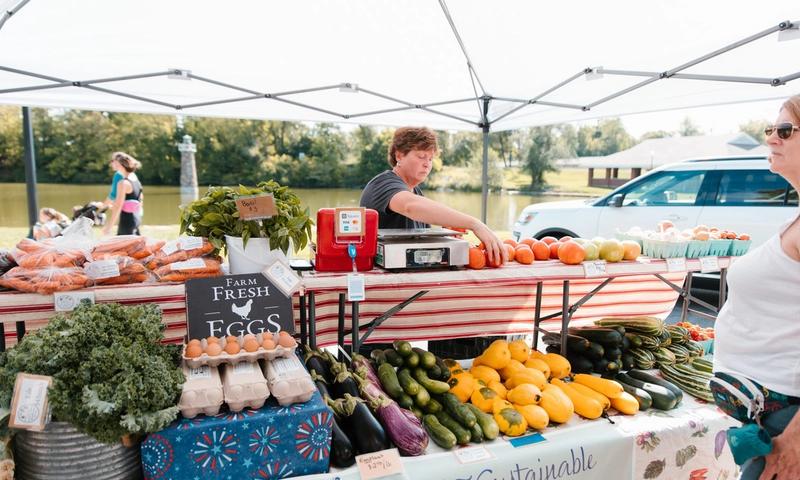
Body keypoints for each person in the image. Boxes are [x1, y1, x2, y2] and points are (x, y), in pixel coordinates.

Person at [711, 95, 800, 480]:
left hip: (788, 427)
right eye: (770, 130)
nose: (771, 139)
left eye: (785, 130)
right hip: (770, 421)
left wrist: (795, 441)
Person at [359, 126, 506, 264]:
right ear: (399, 156)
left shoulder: (416, 192)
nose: (427, 164)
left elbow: (420, 237)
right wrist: (475, 224)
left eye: (430, 158)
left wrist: (446, 235)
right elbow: (410, 206)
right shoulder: (383, 184)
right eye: (421, 156)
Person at [102, 152, 143, 236]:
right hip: (136, 220)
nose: (111, 163)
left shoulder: (122, 183)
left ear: (118, 163)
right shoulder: (136, 181)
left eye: (112, 161)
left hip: (127, 223)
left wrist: (109, 227)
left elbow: (118, 206)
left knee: (122, 248)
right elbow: (139, 200)